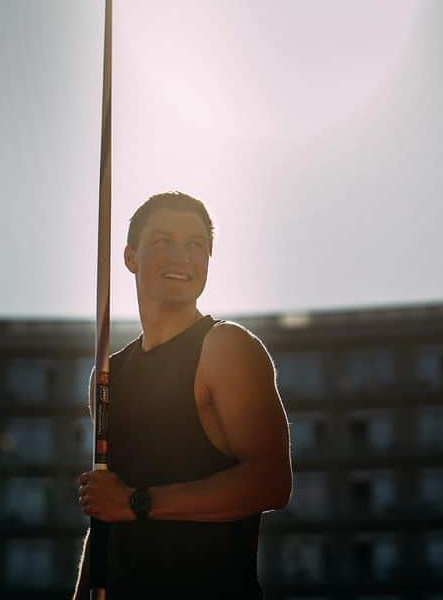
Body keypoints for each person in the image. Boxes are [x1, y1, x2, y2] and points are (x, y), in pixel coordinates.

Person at [74, 191, 292, 599]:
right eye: (163, 242)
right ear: (130, 257)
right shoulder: (107, 376)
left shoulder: (226, 347)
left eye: (196, 245)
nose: (182, 257)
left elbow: (271, 483)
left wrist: (138, 502)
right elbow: (106, 513)